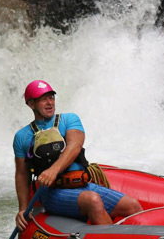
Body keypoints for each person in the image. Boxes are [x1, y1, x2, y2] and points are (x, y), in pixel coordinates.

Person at [13, 80, 142, 230]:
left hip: (81, 184)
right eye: (43, 99)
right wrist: (22, 209)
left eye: (51, 98)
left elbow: (74, 146)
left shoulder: (69, 119)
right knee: (93, 200)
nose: (49, 103)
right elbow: (22, 174)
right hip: (52, 192)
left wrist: (53, 170)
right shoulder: (22, 136)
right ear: (31, 104)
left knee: (133, 205)